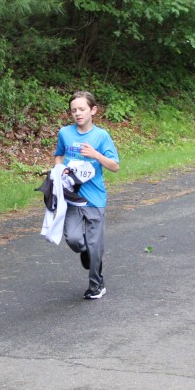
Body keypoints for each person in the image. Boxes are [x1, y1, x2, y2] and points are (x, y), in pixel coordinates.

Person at [53, 90, 119, 299]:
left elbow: (115, 166)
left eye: (82, 109)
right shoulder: (65, 133)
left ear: (93, 110)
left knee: (95, 245)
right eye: (74, 110)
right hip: (72, 197)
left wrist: (96, 155)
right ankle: (84, 250)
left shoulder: (101, 136)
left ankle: (96, 286)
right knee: (73, 238)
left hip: (95, 198)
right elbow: (59, 155)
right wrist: (59, 169)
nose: (77, 113)